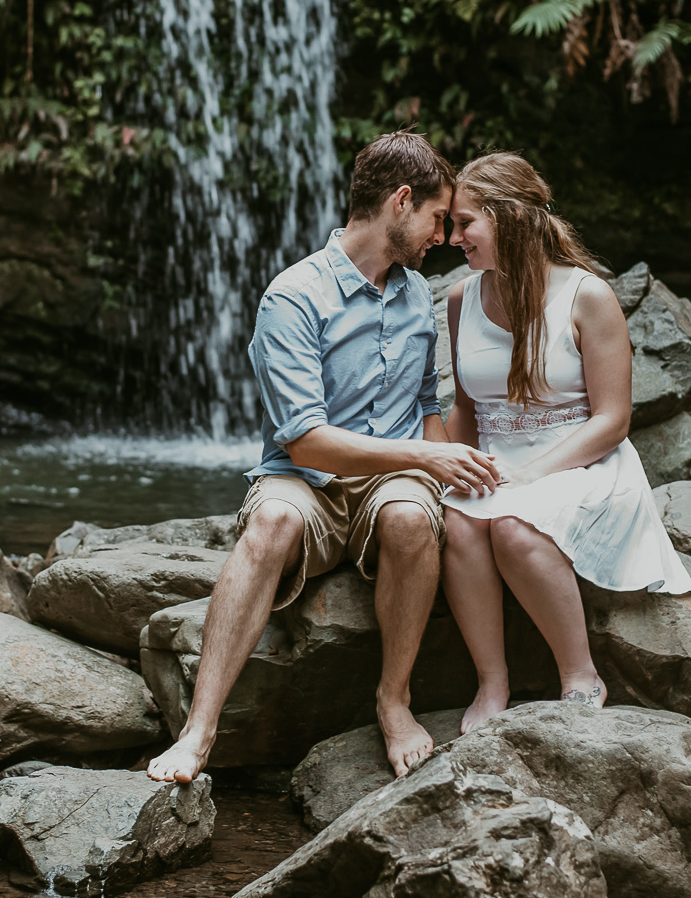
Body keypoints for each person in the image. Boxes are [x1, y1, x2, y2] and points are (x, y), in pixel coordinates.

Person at [146, 130, 506, 784]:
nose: (442, 237)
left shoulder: (416, 300)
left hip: (390, 486)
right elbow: (304, 439)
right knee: (270, 523)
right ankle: (198, 733)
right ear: (401, 202)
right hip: (303, 481)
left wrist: (463, 471)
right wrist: (424, 459)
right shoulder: (292, 297)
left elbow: (428, 410)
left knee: (407, 516)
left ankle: (392, 701)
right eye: (435, 219)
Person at [440, 152, 691, 734]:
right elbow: (465, 405)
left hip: (583, 458)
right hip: (498, 457)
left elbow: (613, 418)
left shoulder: (588, 297)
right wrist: (449, 468)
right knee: (457, 523)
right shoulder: (460, 300)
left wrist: (534, 475)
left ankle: (581, 676)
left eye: (464, 223)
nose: (453, 238)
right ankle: (492, 681)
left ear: (505, 218)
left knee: (512, 525)